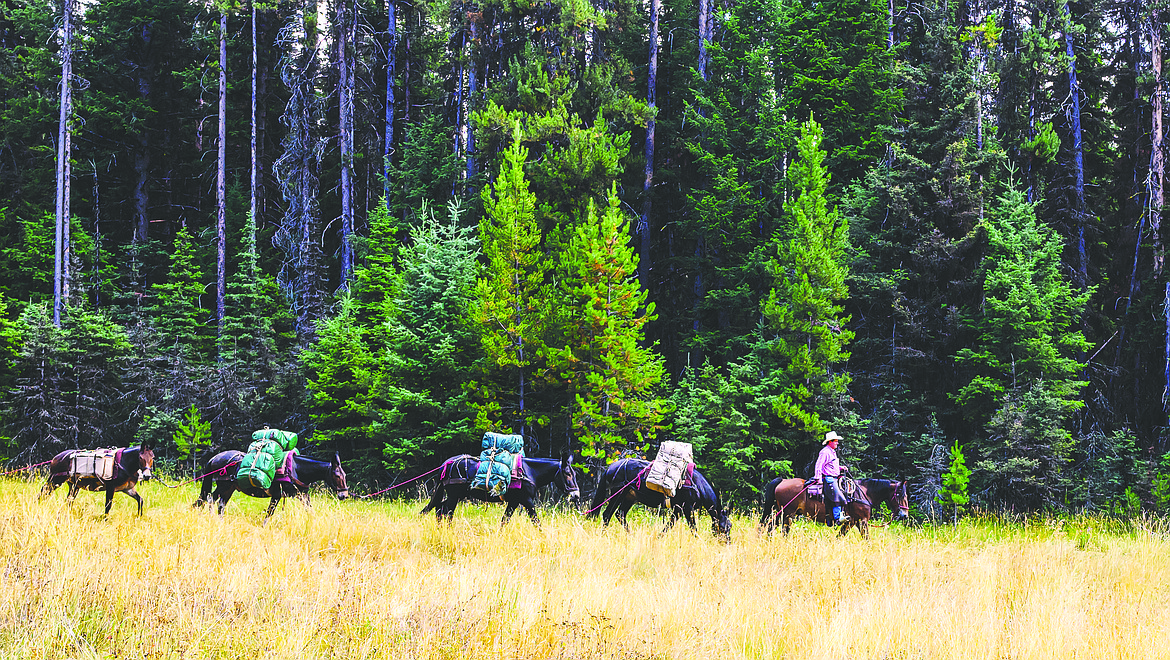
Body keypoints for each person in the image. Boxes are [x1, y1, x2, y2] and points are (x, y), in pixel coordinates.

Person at [815, 430, 849, 525]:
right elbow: (819, 465)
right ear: (830, 441)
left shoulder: (832, 452)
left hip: (835, 477)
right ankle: (838, 517)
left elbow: (830, 465)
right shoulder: (825, 452)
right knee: (837, 495)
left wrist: (840, 468)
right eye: (836, 441)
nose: (837, 442)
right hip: (829, 478)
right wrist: (818, 478)